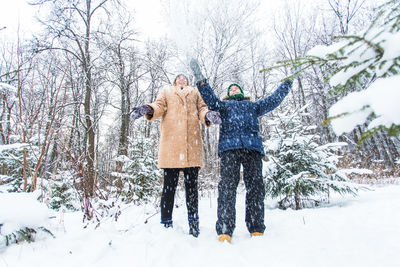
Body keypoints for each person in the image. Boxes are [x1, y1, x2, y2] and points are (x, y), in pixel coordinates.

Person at [190, 59, 293, 243]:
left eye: (236, 88)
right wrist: (201, 81)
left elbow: (274, 100)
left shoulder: (253, 107)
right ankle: (225, 230)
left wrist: (287, 83)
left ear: (242, 92)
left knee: (255, 187)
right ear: (228, 95)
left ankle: (256, 227)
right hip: (229, 149)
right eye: (230, 89)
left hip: (252, 149)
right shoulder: (222, 107)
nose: (233, 90)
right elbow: (210, 98)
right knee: (227, 188)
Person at [131, 74, 221, 237]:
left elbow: (202, 108)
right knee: (168, 188)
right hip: (171, 147)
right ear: (174, 82)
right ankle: (166, 223)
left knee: (192, 188)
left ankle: (194, 224)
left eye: (184, 79)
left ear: (187, 82)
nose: (182, 80)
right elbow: (158, 106)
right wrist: (147, 108)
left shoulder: (195, 92)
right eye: (179, 78)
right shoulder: (166, 91)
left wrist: (208, 115)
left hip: (191, 146)